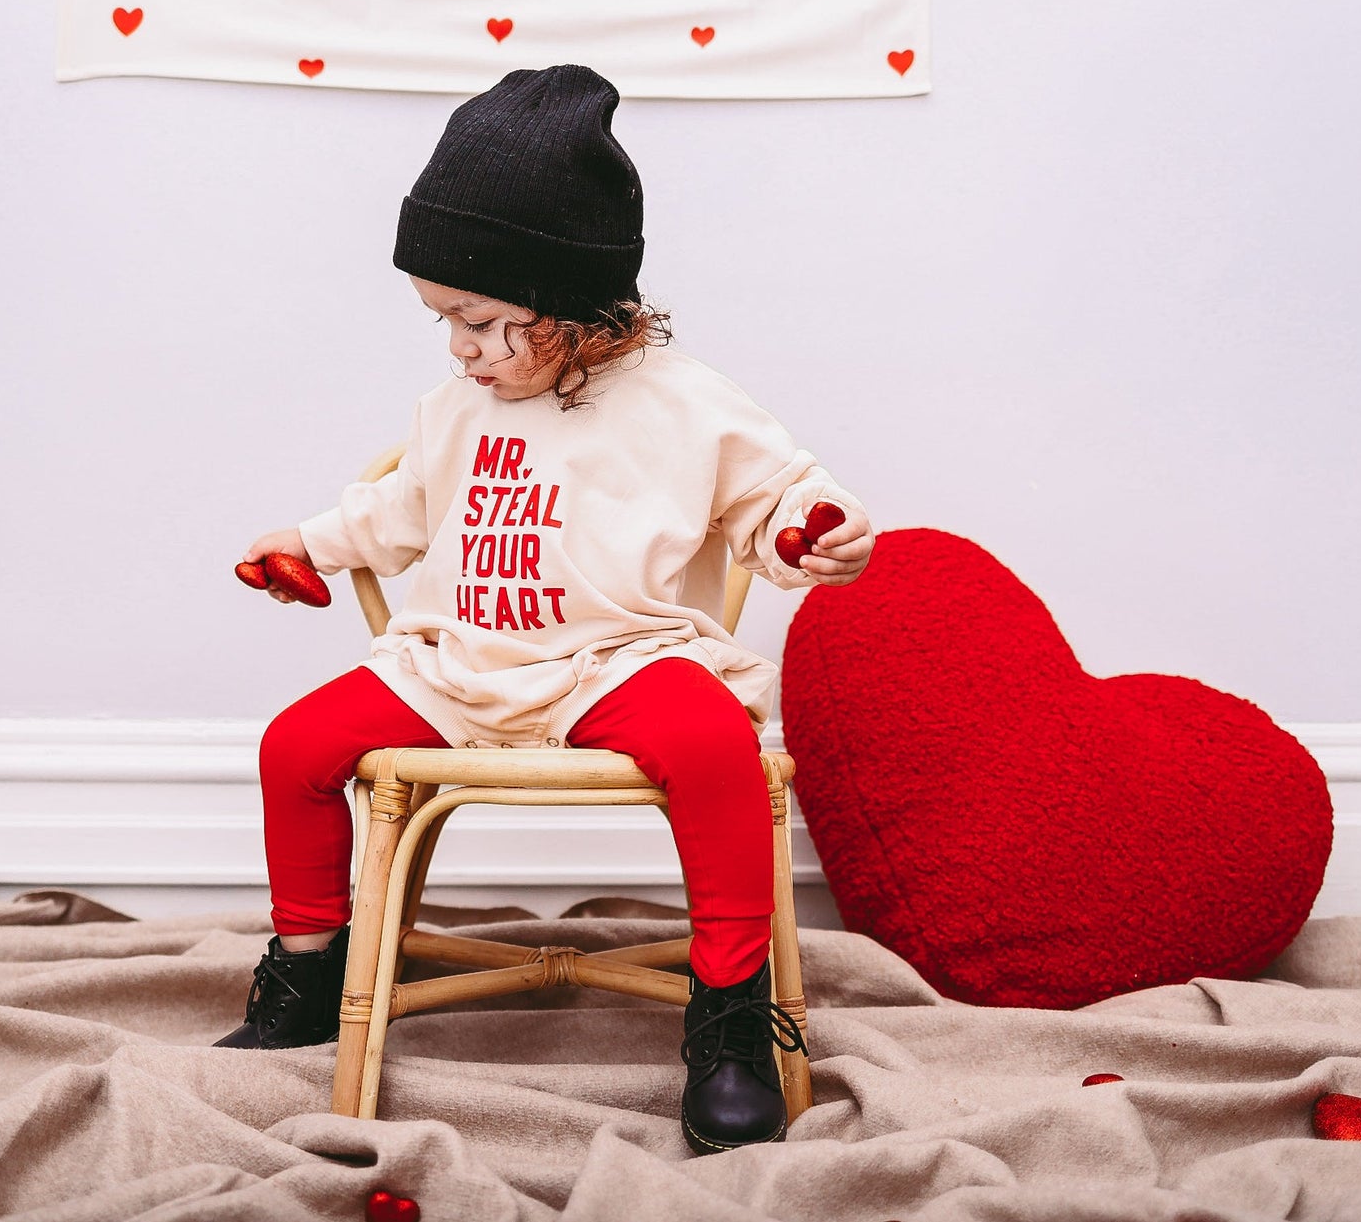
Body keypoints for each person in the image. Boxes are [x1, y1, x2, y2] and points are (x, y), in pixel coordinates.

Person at [216, 64, 874, 1155]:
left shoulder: (681, 401)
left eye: (477, 321)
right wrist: (310, 543)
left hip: (617, 659)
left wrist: (818, 528)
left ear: (567, 306)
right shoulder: (458, 405)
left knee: (714, 744)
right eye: (442, 321)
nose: (458, 347)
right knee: (294, 746)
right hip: (457, 662)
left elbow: (774, 496)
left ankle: (728, 1014)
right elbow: (400, 507)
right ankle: (308, 970)